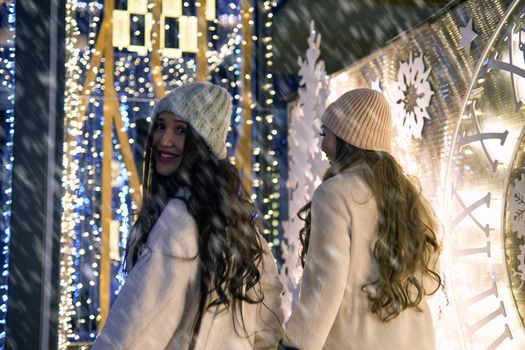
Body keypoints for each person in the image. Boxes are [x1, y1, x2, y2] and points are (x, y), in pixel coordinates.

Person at [93, 82, 284, 349]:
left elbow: (133, 332)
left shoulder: (178, 221)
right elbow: (268, 319)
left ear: (202, 144)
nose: (164, 140)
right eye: (160, 126)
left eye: (180, 130)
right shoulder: (238, 221)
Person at [281, 89, 441, 350]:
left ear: (347, 139)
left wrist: (293, 346)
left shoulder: (335, 194)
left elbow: (324, 286)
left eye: (325, 135)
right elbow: (427, 278)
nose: (321, 146)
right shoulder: (412, 200)